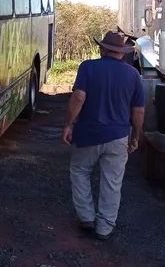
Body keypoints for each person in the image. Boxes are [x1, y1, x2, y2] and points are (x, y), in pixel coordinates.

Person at [61, 31, 145, 240]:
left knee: (80, 171)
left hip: (88, 134)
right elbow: (139, 111)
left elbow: (79, 97)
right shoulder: (133, 75)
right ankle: (105, 227)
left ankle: (86, 217)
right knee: (112, 182)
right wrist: (135, 137)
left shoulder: (88, 67)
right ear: (121, 53)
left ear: (103, 49)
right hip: (118, 136)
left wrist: (68, 124)